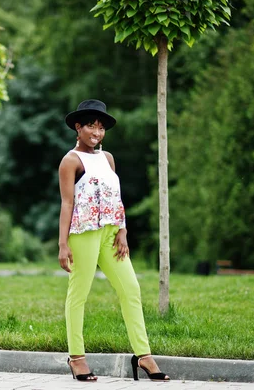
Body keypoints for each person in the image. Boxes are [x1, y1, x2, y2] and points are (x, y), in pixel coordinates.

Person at [58, 99, 170, 382]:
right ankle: (76, 357)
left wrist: (123, 230)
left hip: (110, 232)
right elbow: (67, 203)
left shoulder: (107, 158)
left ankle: (143, 356)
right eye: (91, 126)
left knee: (130, 288)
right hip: (84, 233)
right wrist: (62, 244)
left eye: (101, 127)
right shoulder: (71, 161)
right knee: (79, 294)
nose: (97, 132)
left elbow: (114, 197)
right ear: (77, 127)